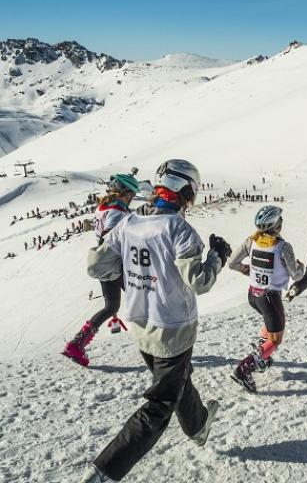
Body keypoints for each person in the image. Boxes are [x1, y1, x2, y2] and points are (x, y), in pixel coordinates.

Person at [80, 159, 231, 483]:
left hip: (141, 326)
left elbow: (96, 266)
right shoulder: (179, 229)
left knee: (177, 379)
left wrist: (138, 279)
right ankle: (104, 472)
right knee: (160, 405)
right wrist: (217, 256)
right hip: (173, 330)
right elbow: (200, 282)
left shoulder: (129, 223)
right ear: (187, 191)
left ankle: (199, 425)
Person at [62, 173, 140, 367]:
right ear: (126, 192)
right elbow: (110, 235)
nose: (133, 198)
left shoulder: (103, 206)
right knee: (143, 299)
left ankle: (76, 344)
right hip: (118, 264)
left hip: (104, 265)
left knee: (111, 307)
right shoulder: (116, 210)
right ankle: (156, 344)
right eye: (132, 194)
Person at [228, 206, 304, 393]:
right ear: (277, 225)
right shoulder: (282, 246)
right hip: (270, 297)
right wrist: (301, 266)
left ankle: (263, 353)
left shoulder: (251, 240)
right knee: (276, 340)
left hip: (253, 295)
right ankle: (245, 368)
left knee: (269, 324)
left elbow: (232, 263)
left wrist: (246, 270)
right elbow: (297, 275)